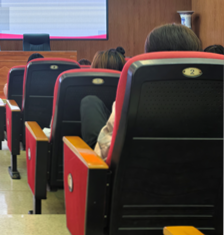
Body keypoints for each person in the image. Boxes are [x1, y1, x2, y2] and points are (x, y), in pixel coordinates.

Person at [82, 24, 202, 161]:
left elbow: (108, 150)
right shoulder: (213, 94)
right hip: (204, 171)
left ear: (149, 58)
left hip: (133, 172)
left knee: (89, 102)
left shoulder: (135, 95)